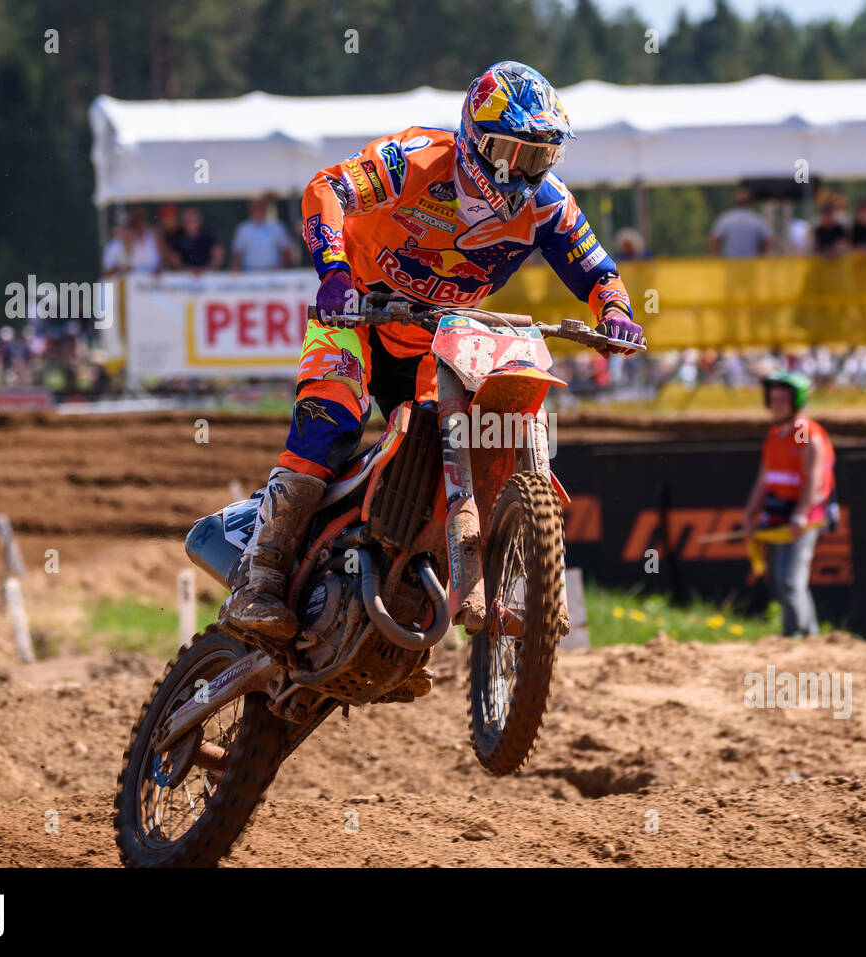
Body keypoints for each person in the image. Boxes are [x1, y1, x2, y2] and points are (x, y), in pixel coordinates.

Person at [222, 61, 644, 645]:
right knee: (335, 418)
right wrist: (335, 273)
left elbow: (597, 268)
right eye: (513, 154)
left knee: (457, 439)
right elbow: (327, 188)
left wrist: (617, 311)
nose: (523, 174)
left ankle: (421, 583)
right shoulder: (418, 159)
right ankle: (260, 577)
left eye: (540, 158)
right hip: (358, 315)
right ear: (476, 138)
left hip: (437, 341)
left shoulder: (546, 204)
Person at [742, 371, 835, 637]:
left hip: (801, 519)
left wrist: (800, 516)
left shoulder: (805, 434)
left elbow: (813, 480)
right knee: (779, 580)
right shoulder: (774, 435)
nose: (776, 405)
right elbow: (764, 479)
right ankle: (803, 633)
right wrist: (750, 514)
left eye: (782, 400)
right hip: (777, 516)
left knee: (790, 580)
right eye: (773, 399)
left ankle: (798, 637)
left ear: (796, 401)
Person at [231, 197, 296, 270]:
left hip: (274, 275)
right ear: (250, 208)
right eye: (255, 206)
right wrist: (236, 269)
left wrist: (282, 267)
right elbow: (237, 253)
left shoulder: (277, 227)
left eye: (260, 206)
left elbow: (286, 250)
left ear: (265, 208)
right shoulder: (243, 229)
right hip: (249, 275)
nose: (258, 209)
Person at [708, 187, 772, 258]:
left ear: (734, 201)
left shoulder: (726, 219)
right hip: (751, 262)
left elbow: (714, 239)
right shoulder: (757, 219)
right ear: (750, 202)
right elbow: (768, 240)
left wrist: (718, 256)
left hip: (731, 263)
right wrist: (761, 255)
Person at [170, 207, 225, 271]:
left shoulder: (208, 235)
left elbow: (218, 257)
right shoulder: (177, 236)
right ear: (182, 222)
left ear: (200, 220)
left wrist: (205, 270)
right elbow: (174, 261)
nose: (191, 223)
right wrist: (190, 271)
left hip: (208, 276)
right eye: (188, 220)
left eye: (194, 220)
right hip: (184, 276)